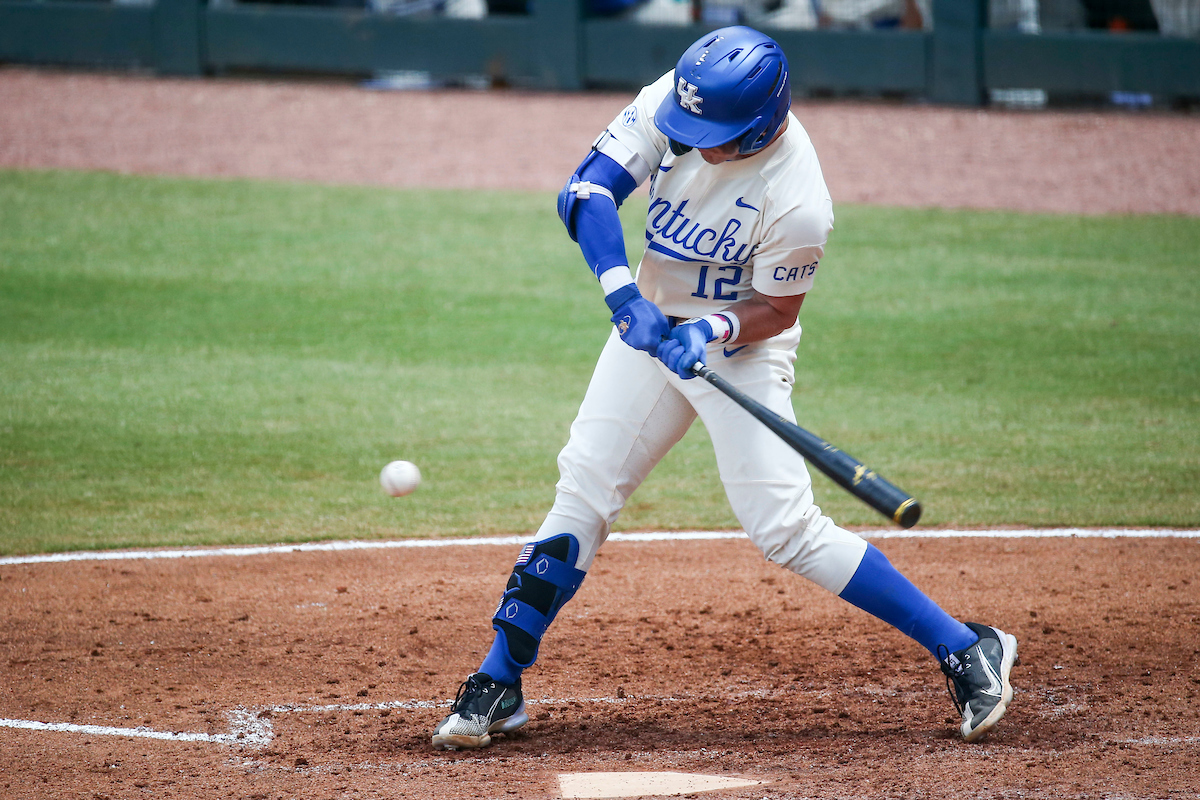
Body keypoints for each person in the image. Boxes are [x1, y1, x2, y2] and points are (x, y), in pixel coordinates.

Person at [431, 26, 1019, 751]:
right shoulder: (677, 105)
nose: (695, 141)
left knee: (785, 528)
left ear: (761, 124)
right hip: (643, 330)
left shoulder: (798, 198)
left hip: (739, 348)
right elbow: (584, 194)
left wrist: (707, 333)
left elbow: (778, 309)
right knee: (582, 490)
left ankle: (966, 647)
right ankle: (501, 679)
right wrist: (624, 296)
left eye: (714, 133)